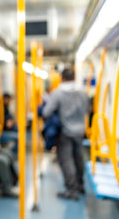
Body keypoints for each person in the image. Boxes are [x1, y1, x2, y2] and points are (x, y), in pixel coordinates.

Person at [42, 67, 88, 200]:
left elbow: (46, 112)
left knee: (66, 161)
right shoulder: (82, 92)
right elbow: (87, 109)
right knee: (78, 158)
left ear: (61, 78)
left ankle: (71, 190)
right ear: (74, 77)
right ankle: (80, 185)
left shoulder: (58, 93)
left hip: (65, 132)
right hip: (80, 131)